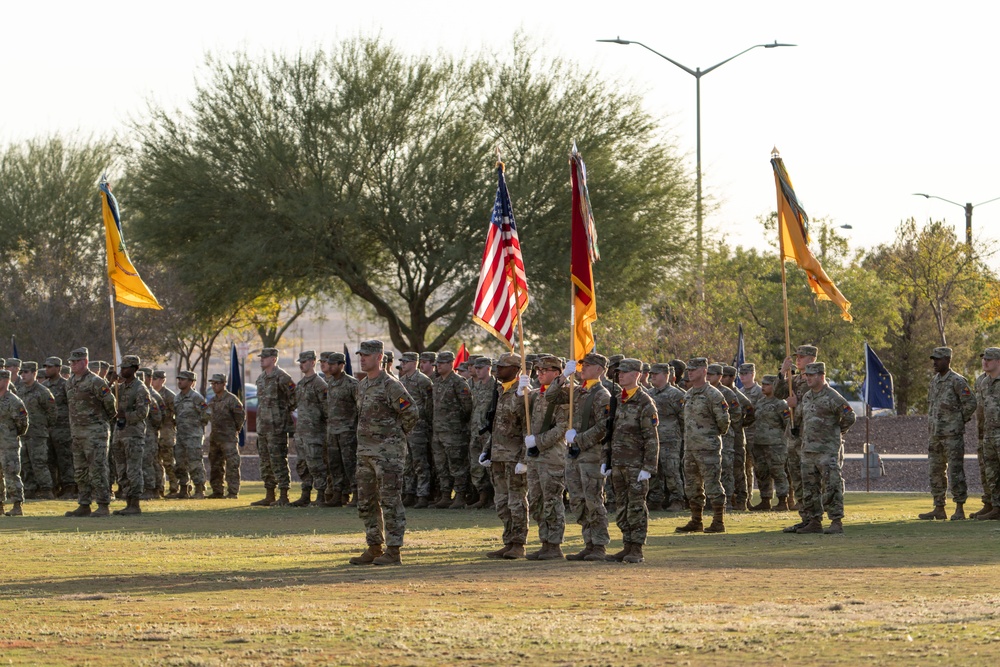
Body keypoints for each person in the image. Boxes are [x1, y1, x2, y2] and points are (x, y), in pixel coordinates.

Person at [348, 340, 417, 566]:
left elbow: (411, 413)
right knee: (366, 501)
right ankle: (374, 546)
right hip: (365, 453)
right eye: (361, 354)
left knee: (390, 501)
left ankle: (394, 550)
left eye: (367, 355)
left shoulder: (391, 385)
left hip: (388, 455)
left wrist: (394, 438)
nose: (362, 358)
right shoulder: (362, 385)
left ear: (379, 357)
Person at [546, 352, 613, 561]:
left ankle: (599, 545)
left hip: (591, 454)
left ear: (600, 370)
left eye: (588, 365)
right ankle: (588, 543)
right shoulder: (578, 391)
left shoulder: (602, 395)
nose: (582, 368)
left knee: (593, 500)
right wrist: (564, 376)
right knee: (577, 501)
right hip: (574, 456)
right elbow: (551, 397)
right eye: (582, 364)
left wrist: (580, 438)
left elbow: (604, 426)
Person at [789, 362, 856, 534]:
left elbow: (849, 416)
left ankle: (836, 521)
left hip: (826, 451)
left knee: (832, 486)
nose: (808, 378)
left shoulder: (833, 397)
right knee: (810, 489)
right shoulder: (807, 396)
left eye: (811, 375)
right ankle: (814, 521)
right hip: (808, 450)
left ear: (821, 376)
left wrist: (837, 432)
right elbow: (802, 419)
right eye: (807, 375)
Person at [604, 358, 659, 563]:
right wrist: (606, 460)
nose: (620, 375)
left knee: (636, 506)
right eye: (619, 372)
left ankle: (637, 548)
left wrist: (648, 467)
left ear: (637, 374)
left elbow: (651, 438)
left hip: (636, 464)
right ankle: (626, 545)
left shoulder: (644, 401)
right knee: (621, 506)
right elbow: (611, 432)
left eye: (625, 372)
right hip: (618, 463)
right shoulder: (617, 399)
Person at [480, 353, 529, 559]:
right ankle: (508, 541)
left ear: (517, 369)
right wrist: (487, 449)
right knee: (501, 502)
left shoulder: (523, 392)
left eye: (503, 367)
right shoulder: (500, 391)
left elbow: (527, 428)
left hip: (514, 456)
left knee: (516, 502)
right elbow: (496, 426)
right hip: (499, 455)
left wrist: (525, 460)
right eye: (497, 366)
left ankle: (518, 543)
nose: (498, 370)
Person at [920, 347, 977, 521]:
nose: (935, 363)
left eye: (938, 359)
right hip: (936, 435)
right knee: (935, 471)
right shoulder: (934, 381)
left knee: (955, 471)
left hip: (952, 436)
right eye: (933, 359)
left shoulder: (957, 381)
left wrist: (958, 421)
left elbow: (971, 403)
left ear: (947, 360)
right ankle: (939, 508)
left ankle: (959, 508)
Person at [676, 357, 730, 534]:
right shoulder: (688, 394)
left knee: (712, 484)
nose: (689, 372)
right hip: (690, 448)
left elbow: (723, 421)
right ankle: (696, 520)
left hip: (708, 448)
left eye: (693, 369)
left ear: (704, 371)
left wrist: (710, 437)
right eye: (688, 370)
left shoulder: (713, 394)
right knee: (692, 486)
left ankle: (718, 521)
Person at [524, 355, 570, 560]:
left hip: (552, 455)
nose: (540, 374)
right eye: (537, 371)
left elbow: (562, 427)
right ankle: (544, 541)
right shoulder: (536, 395)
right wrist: (520, 392)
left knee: (552, 500)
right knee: (536, 501)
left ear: (557, 373)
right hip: (535, 457)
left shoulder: (564, 394)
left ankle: (554, 544)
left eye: (545, 370)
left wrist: (539, 441)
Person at [65, 347, 117, 518]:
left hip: (95, 432)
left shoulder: (96, 382)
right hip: (77, 433)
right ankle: (84, 504)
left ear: (85, 362)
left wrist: (103, 422)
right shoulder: (70, 382)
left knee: (98, 469)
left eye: (76, 361)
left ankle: (103, 504)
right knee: (80, 471)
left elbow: (110, 403)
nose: (72, 364)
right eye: (71, 362)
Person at [775, 344, 818, 515]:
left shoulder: (815, 381)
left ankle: (814, 515)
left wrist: (796, 404)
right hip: (793, 435)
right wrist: (782, 373)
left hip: (809, 436)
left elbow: (815, 407)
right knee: (796, 476)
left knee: (810, 478)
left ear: (811, 359)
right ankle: (804, 514)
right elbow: (778, 393)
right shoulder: (796, 380)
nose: (797, 359)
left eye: (802, 356)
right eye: (797, 356)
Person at [252, 348, 296, 507]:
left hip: (277, 427)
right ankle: (269, 494)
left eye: (265, 357)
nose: (261, 359)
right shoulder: (261, 378)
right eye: (261, 357)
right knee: (265, 462)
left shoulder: (282, 377)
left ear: (274, 359)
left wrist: (282, 412)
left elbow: (294, 397)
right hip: (262, 427)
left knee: (278, 460)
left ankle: (284, 495)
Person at [431, 351, 473, 509]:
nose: (439, 366)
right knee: (441, 465)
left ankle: (460, 496)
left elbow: (467, 405)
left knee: (457, 465)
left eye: (442, 363)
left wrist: (458, 423)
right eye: (437, 363)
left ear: (451, 364)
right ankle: (445, 495)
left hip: (454, 432)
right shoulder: (437, 382)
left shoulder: (458, 382)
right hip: (438, 431)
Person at [110, 356, 151, 516]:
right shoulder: (120, 388)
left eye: (125, 368)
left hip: (133, 435)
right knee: (122, 470)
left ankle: (135, 503)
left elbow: (142, 413)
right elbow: (104, 396)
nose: (122, 371)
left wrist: (125, 415)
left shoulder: (140, 389)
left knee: (133, 469)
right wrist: (110, 381)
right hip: (119, 434)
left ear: (134, 369)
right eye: (122, 368)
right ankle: (127, 501)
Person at [646, 363, 686, 512]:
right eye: (652, 373)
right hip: (653, 439)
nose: (653, 376)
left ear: (666, 375)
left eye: (656, 373)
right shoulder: (649, 394)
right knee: (654, 471)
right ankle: (655, 500)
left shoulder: (676, 395)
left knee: (671, 470)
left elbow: (683, 418)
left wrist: (680, 436)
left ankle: (677, 500)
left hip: (670, 440)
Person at [291, 352, 328, 507]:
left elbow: (327, 409)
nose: (301, 364)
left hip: (315, 433)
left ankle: (321, 495)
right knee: (302, 464)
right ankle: (305, 494)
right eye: (300, 362)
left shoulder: (320, 384)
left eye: (305, 361)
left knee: (316, 465)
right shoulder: (300, 385)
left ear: (313, 362)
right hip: (301, 433)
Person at [15, 361, 57, 500]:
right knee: (25, 463)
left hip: (38, 434)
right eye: (21, 372)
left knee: (39, 462)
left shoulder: (43, 391)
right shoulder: (19, 390)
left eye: (26, 372)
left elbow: (52, 412)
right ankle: (29, 489)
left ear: (34, 373)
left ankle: (46, 489)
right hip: (23, 433)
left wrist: (44, 426)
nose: (23, 375)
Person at [748, 376, 790, 511]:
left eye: (766, 384)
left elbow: (787, 424)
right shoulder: (760, 402)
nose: (763, 387)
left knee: (778, 472)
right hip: (759, 443)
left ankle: (783, 500)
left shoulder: (780, 404)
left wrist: (783, 439)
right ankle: (765, 500)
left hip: (776, 444)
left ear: (774, 386)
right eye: (762, 384)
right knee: (762, 472)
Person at [399, 351, 434, 508]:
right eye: (402, 362)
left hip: (419, 427)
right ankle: (409, 493)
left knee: (420, 463)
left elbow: (429, 405)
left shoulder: (423, 381)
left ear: (414, 363)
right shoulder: (401, 381)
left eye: (406, 362)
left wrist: (424, 422)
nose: (403, 364)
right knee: (407, 463)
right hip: (405, 428)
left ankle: (422, 495)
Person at [325, 352, 359, 506]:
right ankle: (338, 494)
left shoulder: (352, 384)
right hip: (332, 431)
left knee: (350, 463)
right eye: (329, 363)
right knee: (335, 464)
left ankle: (357, 494)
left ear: (341, 365)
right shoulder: (330, 383)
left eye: (333, 364)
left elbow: (360, 408)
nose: (330, 367)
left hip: (348, 431)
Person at [707, 364, 741, 510]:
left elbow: (737, 414)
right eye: (706, 373)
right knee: (710, 469)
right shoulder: (703, 391)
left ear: (719, 376)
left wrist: (724, 428)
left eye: (711, 374)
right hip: (706, 437)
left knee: (725, 469)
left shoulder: (727, 393)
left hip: (724, 436)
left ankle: (727, 500)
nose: (708, 376)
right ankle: (710, 500)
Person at [207, 373, 246, 499]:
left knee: (232, 466)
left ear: (224, 384)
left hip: (228, 439)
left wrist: (235, 430)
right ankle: (217, 491)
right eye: (212, 384)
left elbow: (240, 416)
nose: (214, 386)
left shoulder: (231, 399)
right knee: (216, 466)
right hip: (215, 438)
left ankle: (233, 492)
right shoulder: (213, 400)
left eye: (217, 383)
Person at [41, 356, 75, 499]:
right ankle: (54, 488)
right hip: (49, 429)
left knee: (65, 459)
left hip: (64, 429)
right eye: (46, 367)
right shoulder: (45, 386)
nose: (47, 369)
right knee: (50, 460)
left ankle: (69, 488)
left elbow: (72, 406)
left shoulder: (66, 385)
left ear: (58, 368)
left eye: (50, 367)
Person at [174, 370, 210, 500]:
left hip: (193, 436)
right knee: (180, 464)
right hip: (180, 436)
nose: (180, 381)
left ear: (191, 382)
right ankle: (184, 489)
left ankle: (199, 490)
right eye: (179, 379)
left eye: (183, 379)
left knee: (195, 463)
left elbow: (207, 413)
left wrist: (197, 426)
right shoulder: (177, 398)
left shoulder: (196, 397)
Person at [974, 347, 1000, 521]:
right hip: (989, 434)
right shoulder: (984, 383)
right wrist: (981, 433)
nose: (985, 362)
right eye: (984, 359)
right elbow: (981, 410)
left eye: (989, 359)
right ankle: (996, 508)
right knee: (992, 473)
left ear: (998, 361)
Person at [468, 357, 496, 509]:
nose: (477, 370)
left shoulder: (495, 386)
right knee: (475, 465)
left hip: (489, 433)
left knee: (492, 466)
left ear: (488, 368)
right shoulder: (475, 386)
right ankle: (482, 496)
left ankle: (495, 498)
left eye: (480, 368)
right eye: (475, 368)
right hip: (475, 431)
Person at [0, 369, 29, 516]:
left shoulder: (14, 401)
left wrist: (11, 435)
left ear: (6, 381)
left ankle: (17, 506)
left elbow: (23, 424)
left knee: (11, 474)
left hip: (8, 445)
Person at [151, 370, 179, 497]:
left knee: (168, 461)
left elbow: (177, 413)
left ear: (162, 380)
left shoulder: (169, 395)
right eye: (152, 378)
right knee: (156, 462)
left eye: (155, 379)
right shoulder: (150, 393)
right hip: (155, 431)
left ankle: (174, 488)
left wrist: (171, 424)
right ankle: (159, 488)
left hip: (166, 432)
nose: (152, 381)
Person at [138, 368, 165, 500]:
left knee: (150, 462)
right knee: (145, 462)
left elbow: (159, 417)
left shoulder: (152, 396)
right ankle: (150, 488)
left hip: (149, 435)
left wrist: (153, 430)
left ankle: (153, 489)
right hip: (139, 434)